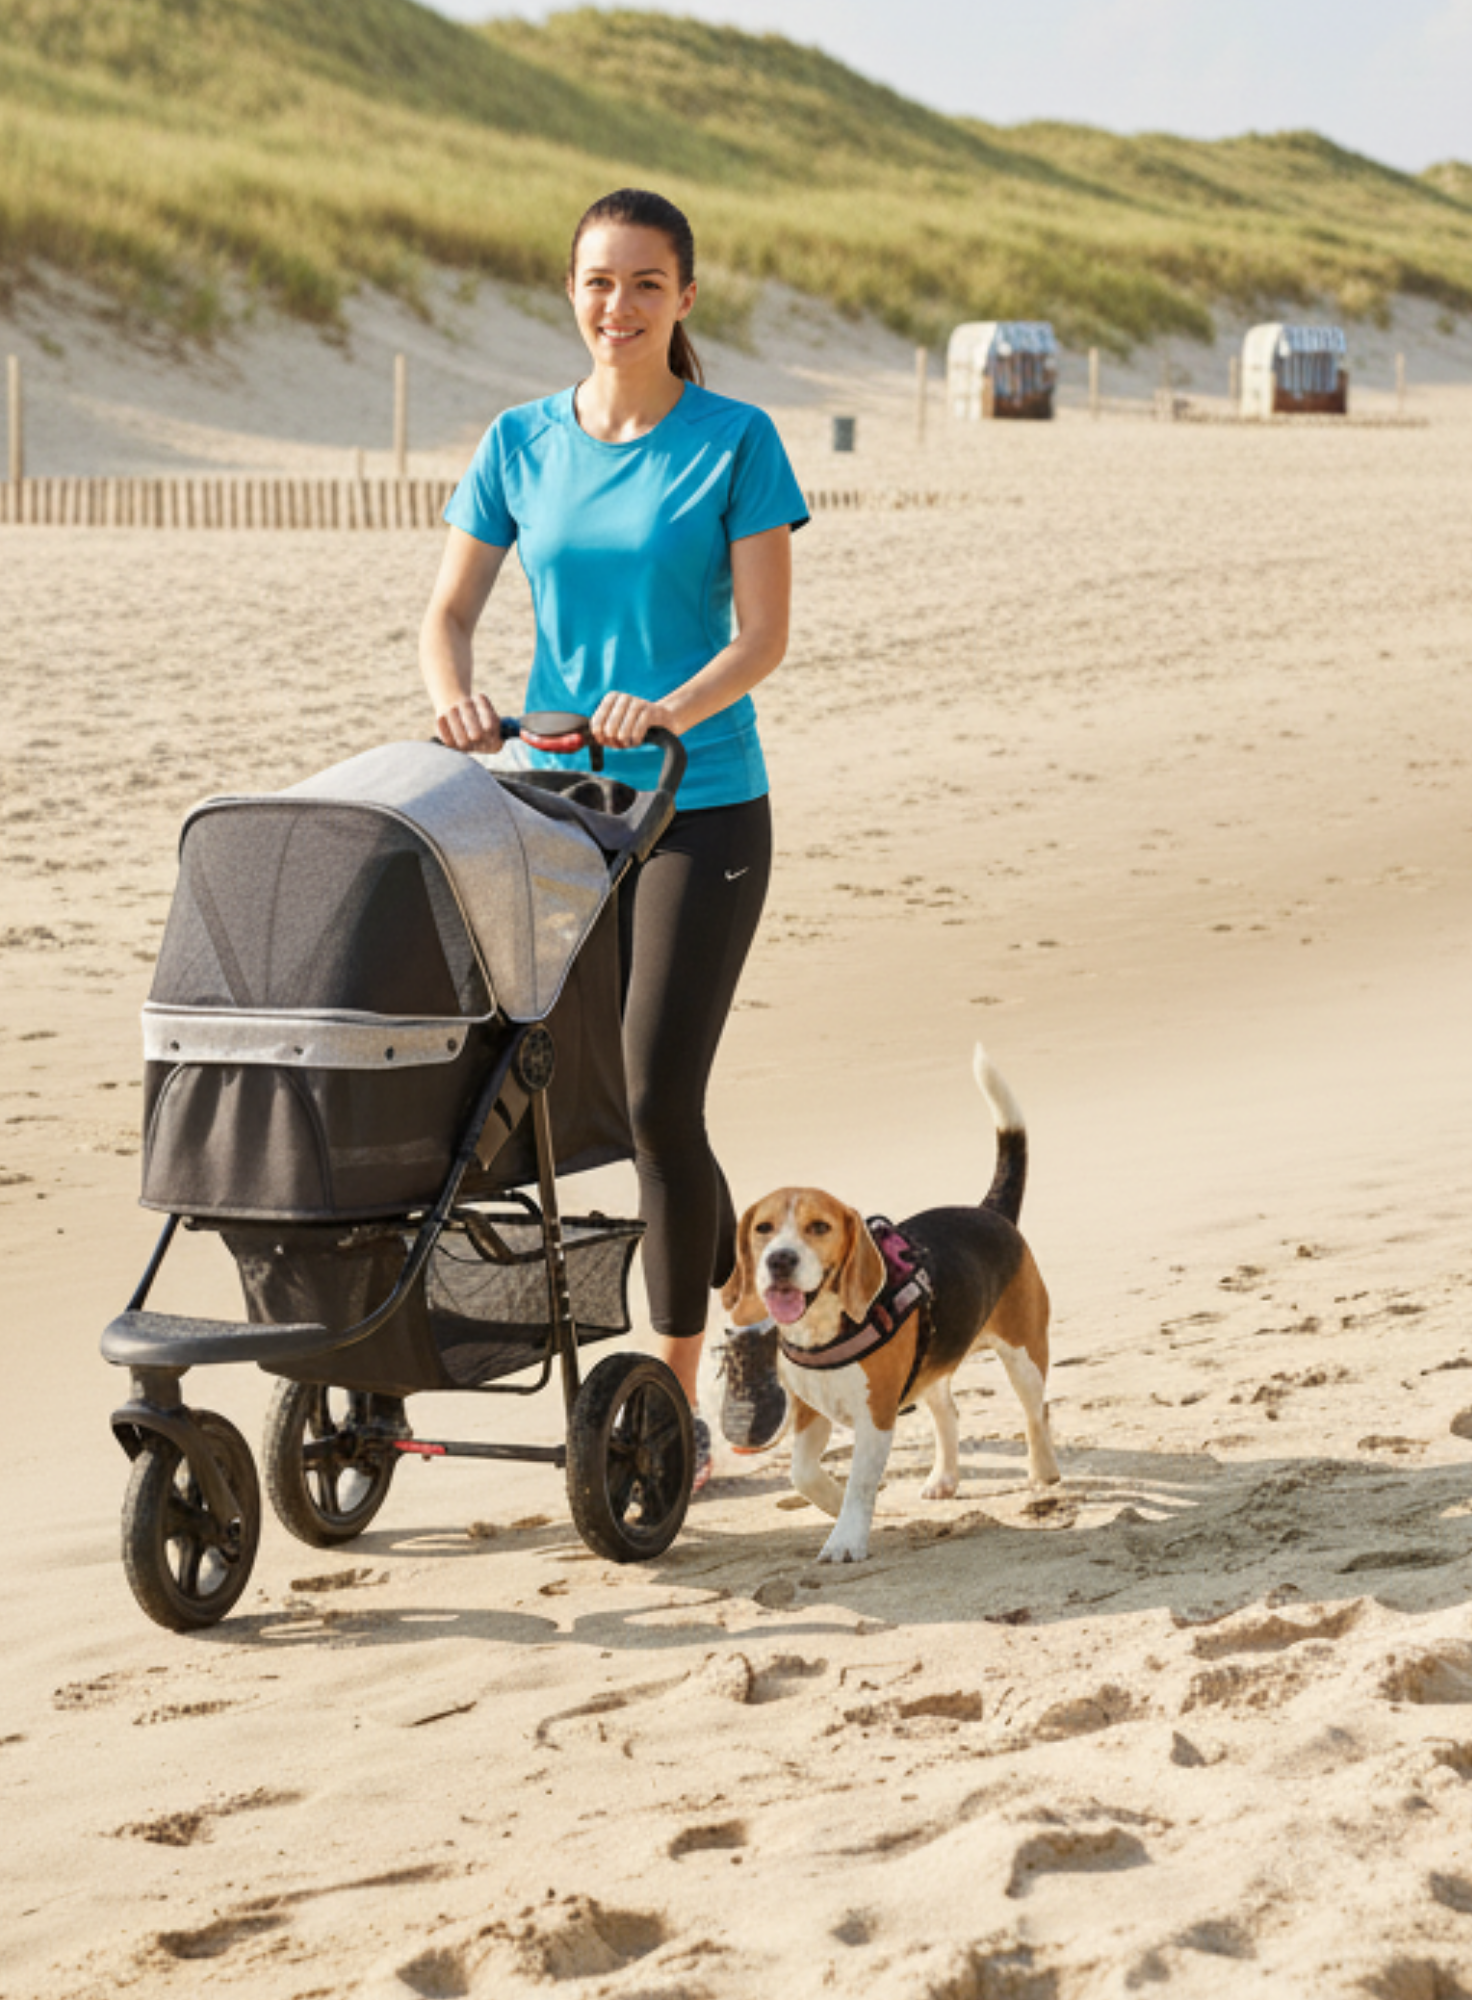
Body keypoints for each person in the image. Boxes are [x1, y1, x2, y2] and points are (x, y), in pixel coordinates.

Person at [420, 187, 807, 1492]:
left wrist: (668, 705)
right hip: (553, 804)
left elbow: (761, 636)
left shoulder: (737, 441)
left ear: (685, 298)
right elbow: (449, 612)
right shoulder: (519, 442)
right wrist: (459, 693)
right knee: (570, 1094)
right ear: (571, 293)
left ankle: (683, 1394)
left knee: (654, 1095)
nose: (617, 307)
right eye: (597, 282)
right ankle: (751, 1296)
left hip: (701, 804)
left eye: (646, 284)